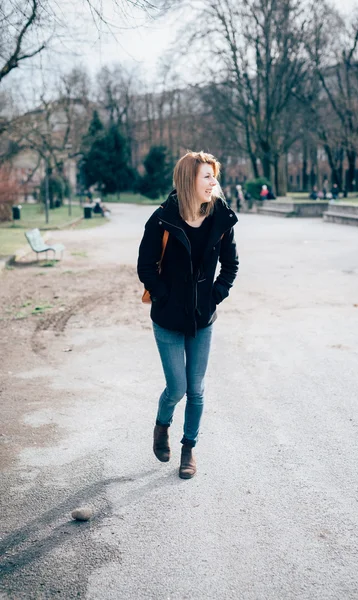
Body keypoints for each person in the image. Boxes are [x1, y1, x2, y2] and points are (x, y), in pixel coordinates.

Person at [137, 151, 239, 479]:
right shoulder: (161, 219)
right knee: (177, 388)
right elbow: (146, 267)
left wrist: (216, 294)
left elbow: (231, 265)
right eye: (206, 176)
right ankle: (161, 426)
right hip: (167, 319)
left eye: (214, 176)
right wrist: (165, 297)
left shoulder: (220, 218)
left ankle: (188, 448)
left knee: (196, 389)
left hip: (202, 319)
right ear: (188, 181)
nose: (214, 183)